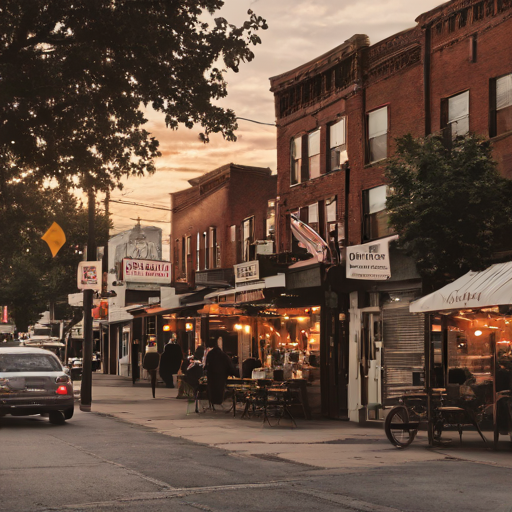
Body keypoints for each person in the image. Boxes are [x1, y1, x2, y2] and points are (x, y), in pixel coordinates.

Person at [204, 337, 236, 406]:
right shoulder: (224, 355)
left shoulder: (210, 354)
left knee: (213, 389)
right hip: (221, 376)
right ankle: (218, 401)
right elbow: (229, 366)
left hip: (212, 376)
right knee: (219, 389)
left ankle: (213, 401)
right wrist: (232, 373)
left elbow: (207, 365)